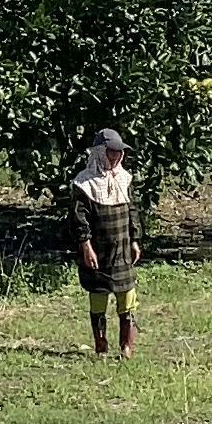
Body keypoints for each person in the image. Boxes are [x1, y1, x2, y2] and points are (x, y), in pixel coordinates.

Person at [65, 126, 140, 355]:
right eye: (111, 151)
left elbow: (132, 212)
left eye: (119, 152)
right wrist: (86, 246)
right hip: (98, 249)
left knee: (127, 296)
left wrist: (135, 239)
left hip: (122, 247)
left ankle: (126, 346)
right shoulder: (84, 183)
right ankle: (101, 344)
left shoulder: (125, 179)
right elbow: (79, 220)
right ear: (100, 152)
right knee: (98, 297)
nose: (116, 156)